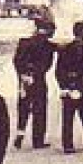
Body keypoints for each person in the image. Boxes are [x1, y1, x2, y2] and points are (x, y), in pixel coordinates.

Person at [12, 17, 57, 148]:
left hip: (24, 79)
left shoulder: (24, 42)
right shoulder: (47, 45)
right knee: (40, 109)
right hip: (38, 79)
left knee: (23, 107)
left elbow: (17, 61)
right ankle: (37, 140)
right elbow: (47, 64)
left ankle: (20, 133)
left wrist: (23, 74)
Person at [55, 20, 83, 153]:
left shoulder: (65, 50)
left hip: (72, 85)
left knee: (69, 117)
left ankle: (68, 144)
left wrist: (64, 84)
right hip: (81, 84)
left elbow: (59, 70)